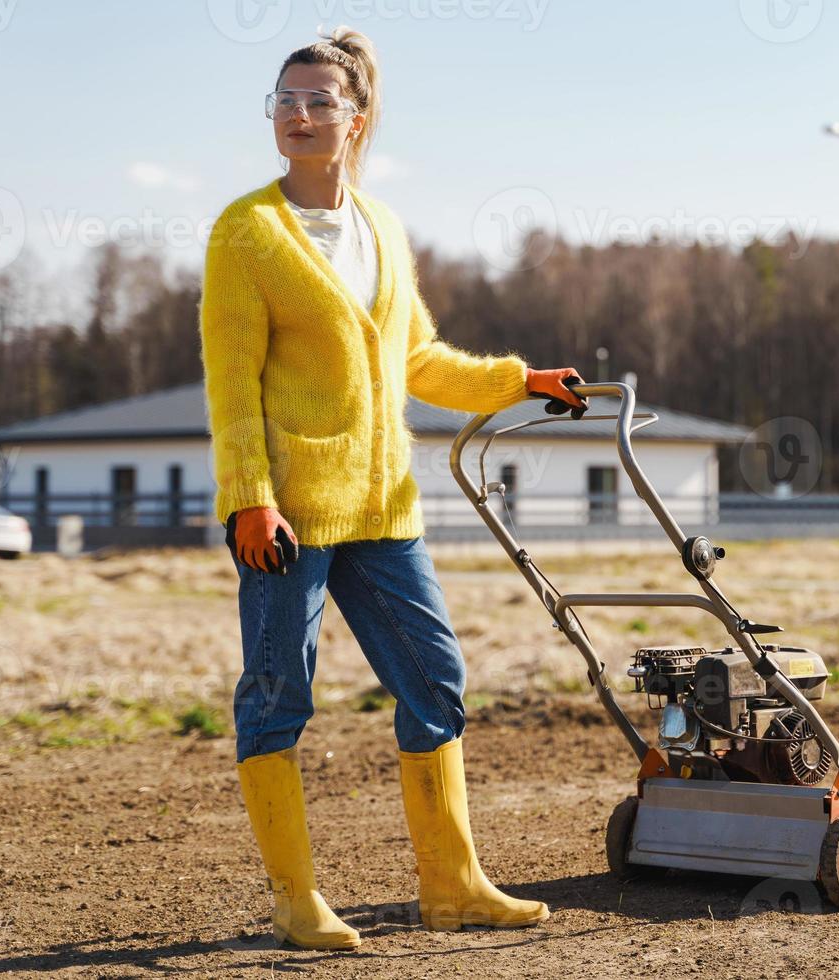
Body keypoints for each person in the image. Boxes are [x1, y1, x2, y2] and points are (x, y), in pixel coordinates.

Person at [198, 27, 586, 951]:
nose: (297, 114)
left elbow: (416, 359)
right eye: (283, 100)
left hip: (383, 512)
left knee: (435, 682)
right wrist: (249, 494)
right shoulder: (245, 233)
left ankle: (450, 885)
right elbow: (232, 383)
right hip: (285, 518)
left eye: (317, 101)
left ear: (356, 119)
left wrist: (518, 381)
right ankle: (297, 901)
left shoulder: (382, 228)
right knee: (278, 695)